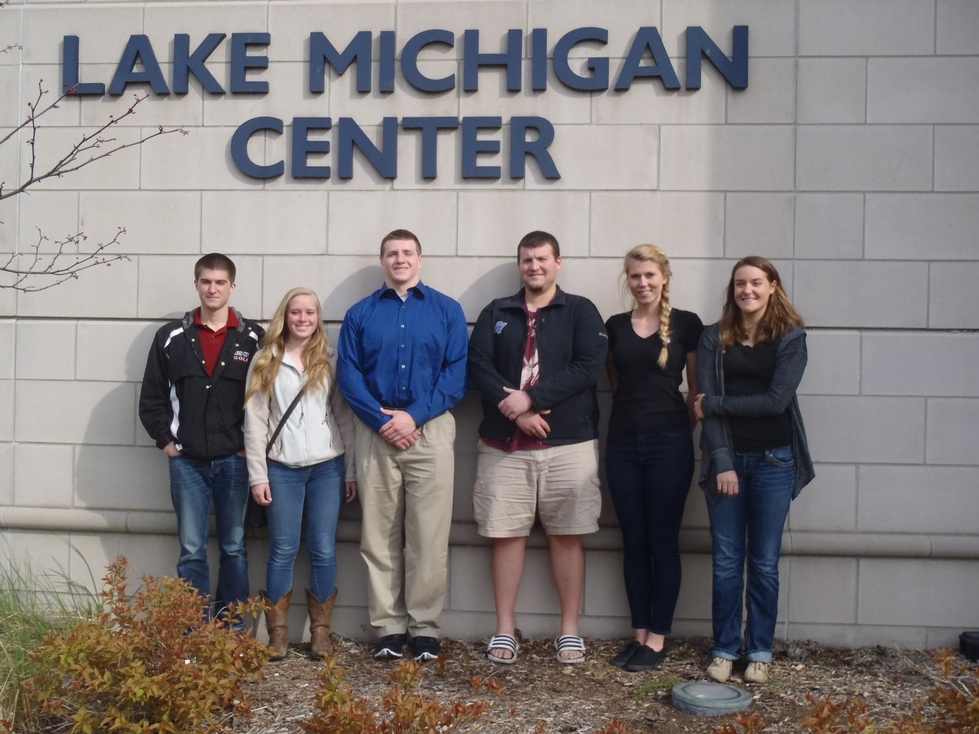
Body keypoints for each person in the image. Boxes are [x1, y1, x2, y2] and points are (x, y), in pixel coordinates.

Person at [469, 230, 608, 665]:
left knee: (567, 535)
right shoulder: (497, 312)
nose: (535, 266)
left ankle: (569, 631)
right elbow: (479, 367)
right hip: (505, 445)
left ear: (557, 263)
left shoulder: (581, 311)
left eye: (542, 259)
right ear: (520, 266)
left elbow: (589, 367)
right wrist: (516, 413)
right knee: (506, 536)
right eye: (527, 260)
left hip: (568, 444)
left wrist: (532, 398)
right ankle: (504, 629)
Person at [337, 229, 468, 662]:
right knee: (378, 535)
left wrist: (414, 417)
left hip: (430, 429)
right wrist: (383, 421)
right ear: (383, 261)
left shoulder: (447, 311)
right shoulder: (360, 314)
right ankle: (389, 628)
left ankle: (424, 627)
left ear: (420, 259)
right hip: (375, 430)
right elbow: (349, 376)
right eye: (392, 253)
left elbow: (455, 374)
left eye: (407, 252)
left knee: (429, 535)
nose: (400, 259)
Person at [694, 255, 815, 684]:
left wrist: (716, 404)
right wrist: (722, 461)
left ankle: (760, 650)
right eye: (740, 283)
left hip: (774, 462)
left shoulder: (791, 337)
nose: (747, 290)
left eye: (756, 282)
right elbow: (705, 410)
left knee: (763, 562)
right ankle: (725, 649)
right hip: (727, 463)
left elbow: (776, 402)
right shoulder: (714, 337)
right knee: (727, 562)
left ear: (772, 286)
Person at [139, 253, 264, 622]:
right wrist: (167, 442)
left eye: (220, 282)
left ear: (232, 287)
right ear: (196, 285)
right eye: (206, 281)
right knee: (191, 550)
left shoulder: (253, 338)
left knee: (234, 547)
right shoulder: (171, 337)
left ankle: (231, 630)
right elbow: (151, 398)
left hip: (235, 461)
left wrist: (250, 447)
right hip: (187, 464)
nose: (213, 289)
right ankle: (193, 632)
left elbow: (268, 400)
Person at [243, 287, 357, 660]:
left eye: (310, 312)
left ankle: (320, 634)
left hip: (327, 467)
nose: (303, 319)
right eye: (296, 312)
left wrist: (351, 470)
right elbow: (255, 421)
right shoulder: (266, 360)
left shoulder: (331, 360)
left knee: (323, 548)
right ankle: (278, 636)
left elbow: (343, 416)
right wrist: (258, 476)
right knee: (283, 548)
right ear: (285, 316)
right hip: (282, 468)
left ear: (318, 317)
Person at [604, 244, 703, 672]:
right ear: (627, 280)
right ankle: (639, 632)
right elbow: (616, 384)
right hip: (623, 445)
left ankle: (658, 637)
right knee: (633, 541)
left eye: (649, 275)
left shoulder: (687, 324)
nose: (642, 283)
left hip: (669, 446)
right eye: (635, 276)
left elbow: (696, 392)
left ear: (664, 277)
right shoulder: (614, 326)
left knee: (662, 539)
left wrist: (675, 430)